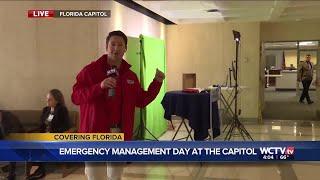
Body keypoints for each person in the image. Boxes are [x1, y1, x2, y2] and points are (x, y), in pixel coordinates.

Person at [71, 30, 165, 180]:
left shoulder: (130, 76)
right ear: (106, 46)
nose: (116, 48)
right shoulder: (90, 71)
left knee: (116, 176)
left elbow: (141, 101)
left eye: (120, 45)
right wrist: (99, 87)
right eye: (112, 44)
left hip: (119, 134)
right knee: (96, 176)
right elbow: (76, 97)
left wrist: (157, 82)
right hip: (94, 134)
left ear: (125, 48)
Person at [27, 89, 71, 180]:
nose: (47, 101)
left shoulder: (62, 110)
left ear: (57, 100)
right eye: (47, 99)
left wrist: (52, 134)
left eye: (50, 99)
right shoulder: (46, 110)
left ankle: (40, 171)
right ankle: (39, 170)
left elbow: (66, 126)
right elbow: (41, 125)